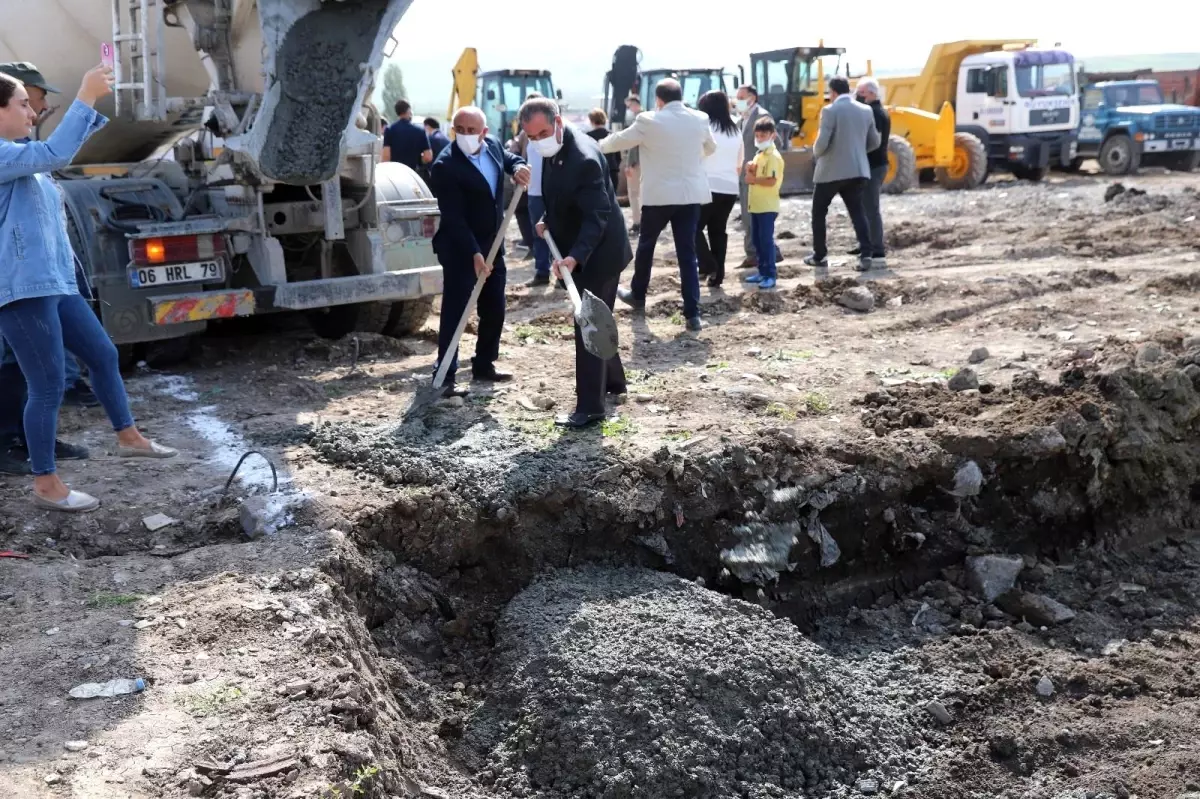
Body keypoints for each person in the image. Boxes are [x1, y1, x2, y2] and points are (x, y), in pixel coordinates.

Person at [0, 66, 177, 512]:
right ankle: (46, 485)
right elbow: (59, 153)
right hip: (22, 289)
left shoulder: (22, 155)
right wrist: (87, 97)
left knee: (102, 355)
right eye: (23, 103)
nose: (33, 110)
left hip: (54, 283)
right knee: (45, 386)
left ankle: (129, 436)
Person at [520, 97, 631, 428]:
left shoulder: (582, 156)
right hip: (586, 249)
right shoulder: (557, 150)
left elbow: (596, 215)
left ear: (557, 122)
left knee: (589, 322)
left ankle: (590, 407)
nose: (538, 141)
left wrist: (575, 256)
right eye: (531, 136)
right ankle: (614, 383)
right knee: (599, 316)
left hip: (599, 253)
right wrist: (547, 220)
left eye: (542, 133)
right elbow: (563, 197)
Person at [427, 106, 531, 395]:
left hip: (493, 245)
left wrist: (518, 166)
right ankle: (445, 374)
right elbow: (454, 217)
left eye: (471, 131)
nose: (465, 135)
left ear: (484, 133)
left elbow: (508, 158)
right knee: (456, 312)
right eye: (459, 130)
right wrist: (473, 252)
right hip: (461, 249)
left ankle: (484, 364)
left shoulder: (494, 146)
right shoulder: (445, 166)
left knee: (494, 308)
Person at [599, 79, 716, 332]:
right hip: (689, 196)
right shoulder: (699, 118)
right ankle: (692, 314)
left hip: (659, 197)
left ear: (659, 100)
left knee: (647, 246)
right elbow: (710, 147)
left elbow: (618, 141)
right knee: (688, 254)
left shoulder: (648, 120)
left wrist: (594, 146)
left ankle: (638, 294)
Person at [804, 76, 879, 272]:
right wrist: (858, 153)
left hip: (830, 171)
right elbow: (874, 142)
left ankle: (819, 255)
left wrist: (815, 153)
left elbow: (821, 144)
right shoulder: (866, 110)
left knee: (819, 213)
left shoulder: (830, 110)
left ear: (833, 92)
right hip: (857, 170)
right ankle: (866, 254)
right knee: (857, 212)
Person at [695, 90, 742, 287]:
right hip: (730, 188)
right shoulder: (735, 129)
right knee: (718, 231)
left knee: (693, 229)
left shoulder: (705, 127)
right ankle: (718, 275)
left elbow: (697, 156)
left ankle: (708, 264)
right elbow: (740, 162)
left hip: (708, 186)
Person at [506, 92, 554, 287]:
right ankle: (542, 272)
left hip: (553, 191)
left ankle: (563, 274)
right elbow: (514, 152)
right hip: (534, 191)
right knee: (538, 232)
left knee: (559, 232)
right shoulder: (525, 135)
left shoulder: (553, 134)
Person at [734, 84, 780, 268]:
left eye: (741, 97)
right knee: (747, 215)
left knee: (756, 216)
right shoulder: (741, 119)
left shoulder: (761, 116)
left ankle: (760, 254)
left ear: (752, 98)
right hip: (746, 173)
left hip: (758, 175)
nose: (738, 101)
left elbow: (776, 143)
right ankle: (756, 253)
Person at [852, 78, 890, 267]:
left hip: (874, 166)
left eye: (862, 93)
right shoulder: (877, 111)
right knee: (865, 208)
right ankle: (866, 244)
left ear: (872, 94)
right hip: (874, 165)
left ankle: (877, 249)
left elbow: (873, 142)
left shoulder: (875, 113)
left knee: (871, 209)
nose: (858, 97)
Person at [743, 118, 785, 289]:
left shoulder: (773, 156)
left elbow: (771, 180)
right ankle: (762, 271)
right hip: (757, 205)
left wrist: (753, 178)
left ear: (772, 135)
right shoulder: (759, 155)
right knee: (758, 240)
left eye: (764, 135)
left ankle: (770, 274)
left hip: (767, 205)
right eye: (758, 135)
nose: (760, 139)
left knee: (766, 241)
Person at [381, 99, 432, 171]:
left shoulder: (389, 130)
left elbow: (386, 156)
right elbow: (428, 157)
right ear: (409, 110)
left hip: (395, 172)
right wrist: (419, 162)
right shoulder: (420, 131)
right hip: (413, 173)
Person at [584, 108, 622, 194]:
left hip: (594, 172)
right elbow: (618, 157)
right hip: (612, 170)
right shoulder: (612, 135)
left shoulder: (587, 137)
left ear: (592, 121)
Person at [622, 96, 643, 235]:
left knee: (634, 194)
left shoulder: (639, 119)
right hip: (646, 161)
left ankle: (637, 222)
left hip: (636, 162)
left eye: (629, 106)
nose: (629, 109)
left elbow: (633, 146)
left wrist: (629, 164)